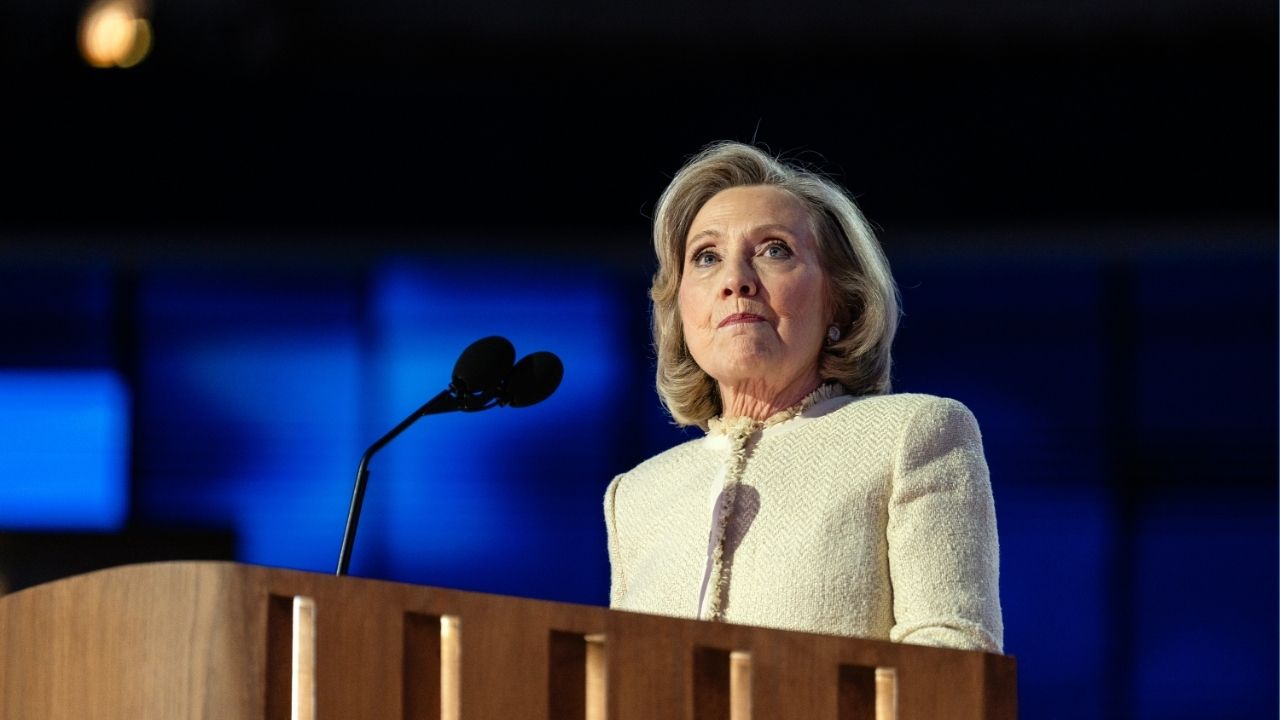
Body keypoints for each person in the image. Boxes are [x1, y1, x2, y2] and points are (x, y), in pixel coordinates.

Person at [603, 141, 1003, 653]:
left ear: (841, 298)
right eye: (706, 257)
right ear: (680, 309)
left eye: (774, 250)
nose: (735, 281)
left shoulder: (913, 435)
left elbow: (952, 663)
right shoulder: (637, 495)